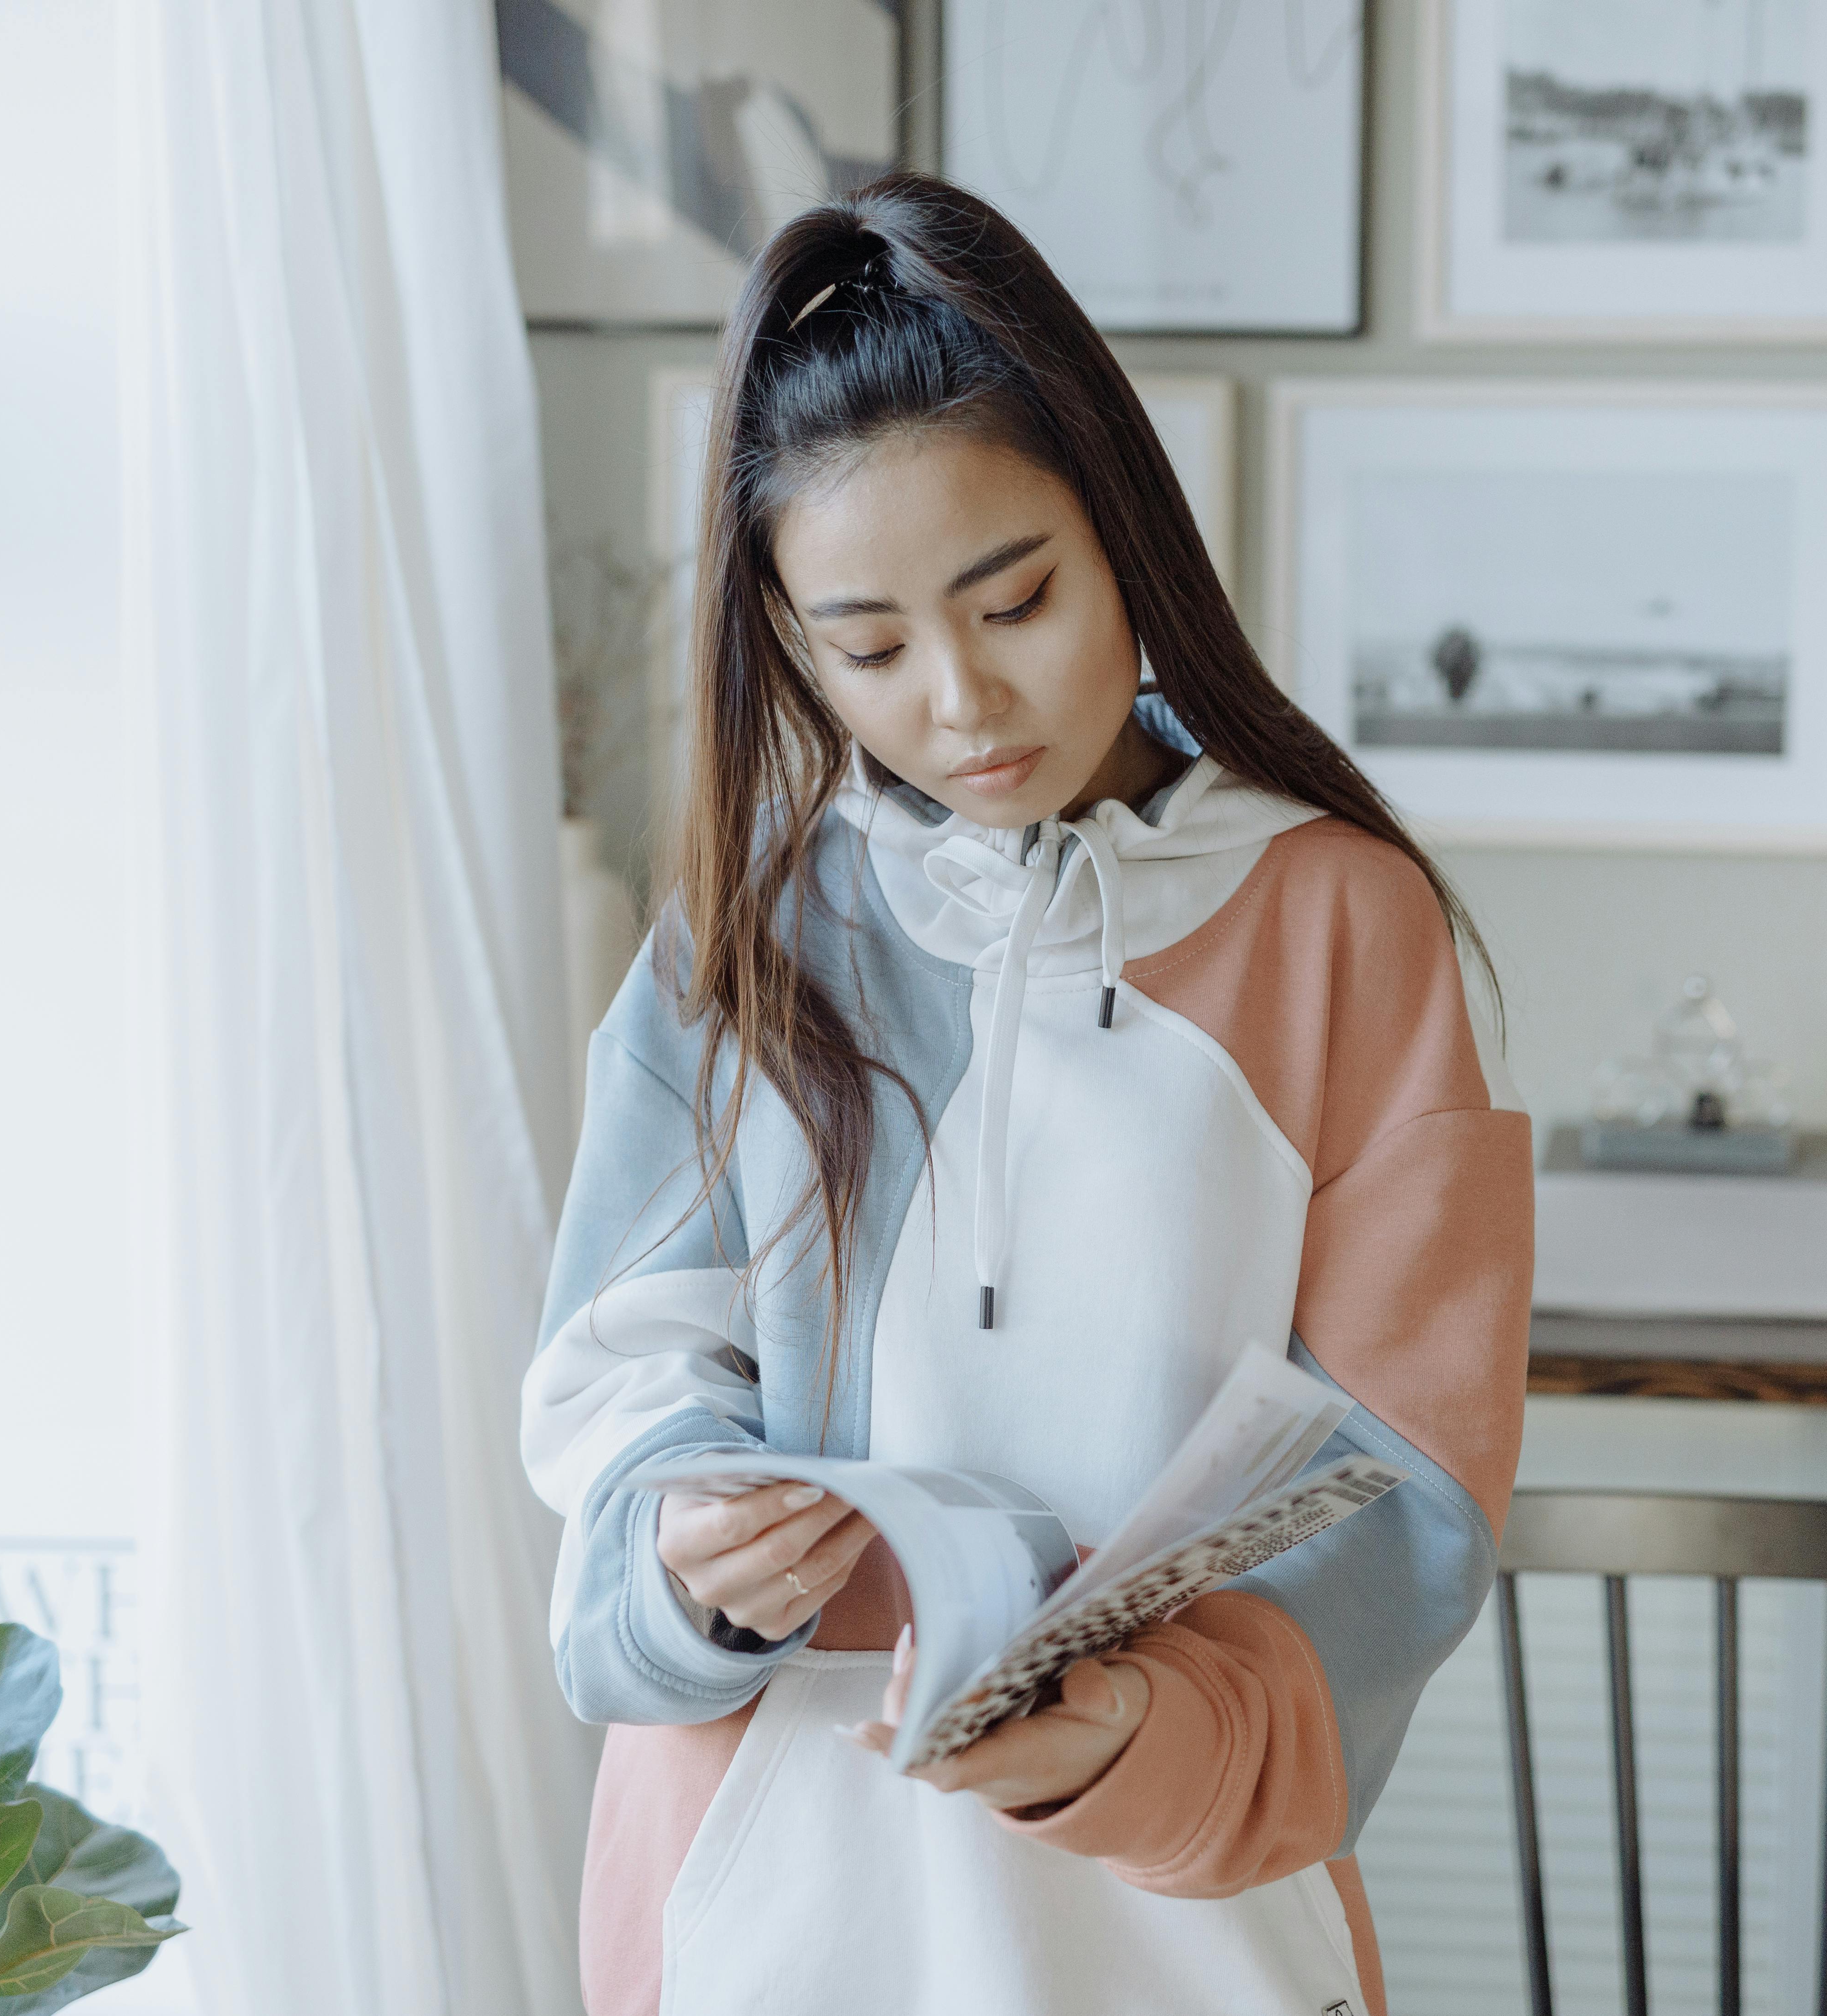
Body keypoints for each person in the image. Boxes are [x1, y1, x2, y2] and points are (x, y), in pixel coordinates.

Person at [520, 171, 1531, 2016]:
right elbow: (611, 1392)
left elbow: (1410, 1485)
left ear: (1119, 532)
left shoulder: (1336, 922)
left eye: (1016, 600)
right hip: (772, 1889)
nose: (963, 699)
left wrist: (1141, 1727)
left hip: (1179, 1913)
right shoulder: (732, 944)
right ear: (780, 638)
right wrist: (686, 1554)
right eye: (869, 645)